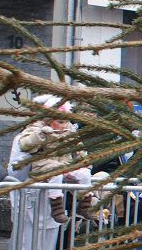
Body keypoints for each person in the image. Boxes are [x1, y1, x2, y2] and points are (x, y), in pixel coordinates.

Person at [16, 95, 96, 223]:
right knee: (56, 172)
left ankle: (84, 206)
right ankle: (57, 209)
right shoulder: (37, 126)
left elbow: (78, 146)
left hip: (65, 164)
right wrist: (41, 135)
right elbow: (24, 144)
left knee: (84, 174)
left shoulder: (69, 129)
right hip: (44, 164)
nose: (63, 125)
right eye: (59, 122)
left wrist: (84, 161)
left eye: (65, 121)